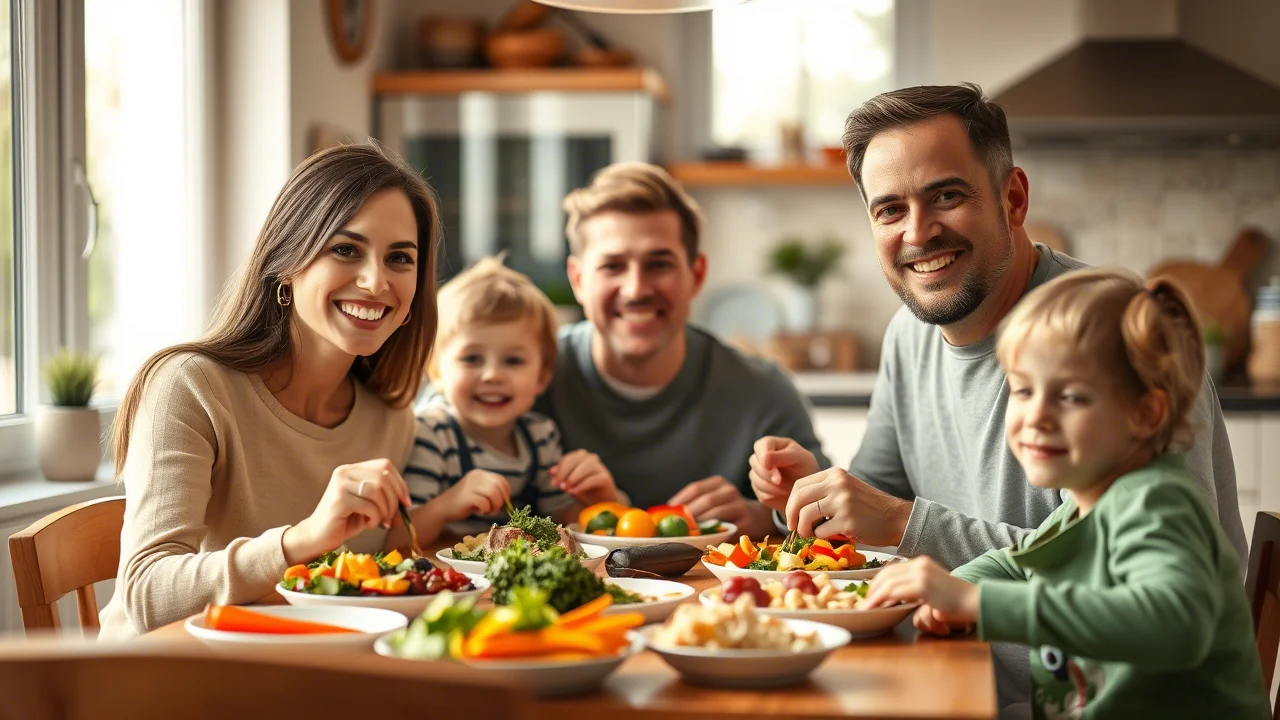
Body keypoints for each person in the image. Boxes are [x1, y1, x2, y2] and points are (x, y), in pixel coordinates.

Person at [747, 83, 1246, 712]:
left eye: (946, 196)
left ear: (1012, 199)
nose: (919, 232)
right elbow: (890, 525)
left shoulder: (1118, 335)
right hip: (988, 688)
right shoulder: (908, 335)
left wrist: (914, 533)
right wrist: (815, 498)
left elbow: (1144, 590)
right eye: (889, 210)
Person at [864, 269, 1270, 719]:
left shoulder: (1156, 505)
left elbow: (1172, 622)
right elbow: (1018, 563)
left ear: (1146, 413)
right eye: (1023, 389)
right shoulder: (1087, 500)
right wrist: (961, 586)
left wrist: (977, 604)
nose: (1036, 416)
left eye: (1072, 397)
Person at [99, 143, 441, 639]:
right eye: (345, 249)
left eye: (400, 259)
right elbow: (148, 596)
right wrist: (300, 541)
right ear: (288, 262)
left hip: (300, 673)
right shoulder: (189, 386)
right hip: (162, 684)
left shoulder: (390, 420)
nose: (374, 281)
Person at [535, 162, 829, 540]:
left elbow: (836, 519)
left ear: (697, 275)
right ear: (578, 279)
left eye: (659, 264)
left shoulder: (762, 392)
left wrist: (764, 517)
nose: (636, 289)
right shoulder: (526, 374)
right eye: (613, 266)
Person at [393, 257, 624, 544]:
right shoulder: (432, 433)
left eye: (513, 360)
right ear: (437, 371)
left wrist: (600, 500)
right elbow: (399, 537)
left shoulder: (540, 436)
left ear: (542, 376)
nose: (492, 375)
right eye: (471, 358)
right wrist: (445, 507)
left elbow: (565, 519)